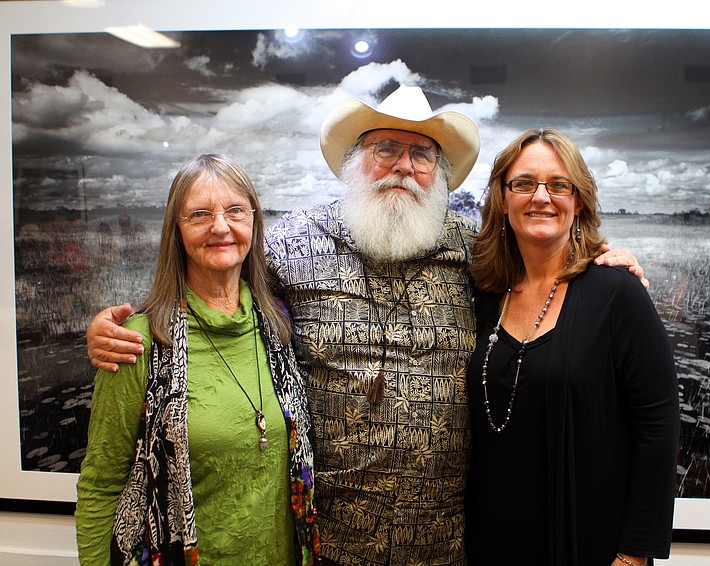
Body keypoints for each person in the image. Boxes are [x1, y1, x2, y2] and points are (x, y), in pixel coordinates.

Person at [85, 86, 645, 565]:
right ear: (355, 160)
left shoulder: (473, 252)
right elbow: (219, 276)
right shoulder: (294, 244)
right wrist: (124, 321)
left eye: (421, 154)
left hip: (447, 546)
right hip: (330, 545)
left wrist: (602, 263)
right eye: (385, 149)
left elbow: (543, 276)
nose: (403, 166)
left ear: (439, 173)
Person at [75, 154, 319, 565]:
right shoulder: (140, 341)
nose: (220, 227)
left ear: (254, 222)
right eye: (200, 214)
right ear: (177, 231)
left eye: (235, 211)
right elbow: (100, 486)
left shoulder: (279, 326)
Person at [466, 129, 679, 566]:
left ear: (577, 201)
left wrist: (633, 554)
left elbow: (658, 427)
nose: (540, 196)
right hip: (492, 542)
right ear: (503, 199)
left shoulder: (617, 293)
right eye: (523, 183)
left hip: (587, 542)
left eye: (558, 185)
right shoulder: (487, 292)